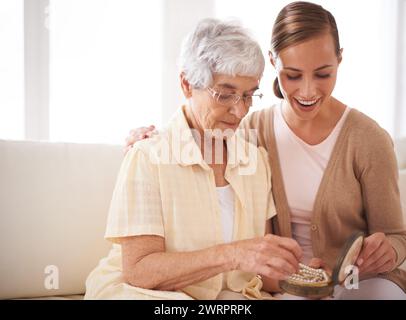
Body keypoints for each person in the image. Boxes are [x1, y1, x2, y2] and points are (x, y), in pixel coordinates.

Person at [126, 2, 406, 299]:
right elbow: (204, 115)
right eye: (293, 75)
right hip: (293, 282)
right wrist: (150, 139)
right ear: (273, 63)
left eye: (323, 74)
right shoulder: (251, 129)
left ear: (340, 60)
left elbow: (397, 237)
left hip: (358, 281)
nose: (308, 91)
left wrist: (387, 251)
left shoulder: (368, 138)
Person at [84, 18, 302, 300]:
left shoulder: (255, 162)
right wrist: (232, 255)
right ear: (187, 84)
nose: (239, 111)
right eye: (225, 95)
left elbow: (256, 272)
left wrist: (301, 276)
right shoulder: (148, 157)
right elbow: (139, 270)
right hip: (140, 293)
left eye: (248, 96)